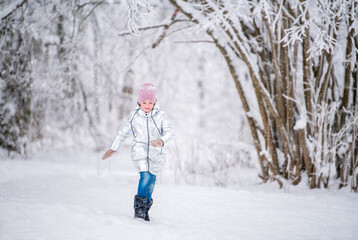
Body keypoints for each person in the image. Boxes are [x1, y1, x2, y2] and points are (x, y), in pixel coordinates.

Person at [102, 83, 175, 221]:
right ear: (139, 102)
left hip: (156, 152)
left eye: (150, 102)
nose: (147, 105)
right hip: (139, 150)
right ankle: (139, 209)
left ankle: (145, 208)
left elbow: (170, 132)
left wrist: (161, 140)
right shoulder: (134, 116)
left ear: (155, 102)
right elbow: (123, 133)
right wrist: (114, 147)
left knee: (152, 180)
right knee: (145, 176)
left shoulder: (161, 116)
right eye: (144, 102)